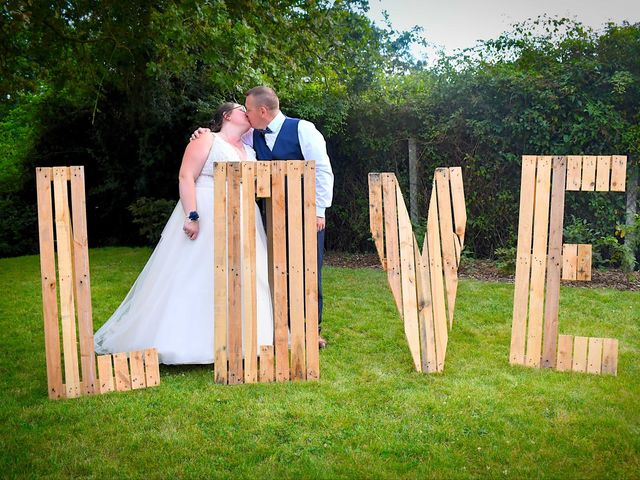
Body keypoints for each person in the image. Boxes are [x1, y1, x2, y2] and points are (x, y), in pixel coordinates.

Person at [94, 103, 274, 364]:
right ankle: (186, 341)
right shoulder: (206, 139)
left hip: (243, 214)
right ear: (226, 115)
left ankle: (244, 337)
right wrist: (192, 215)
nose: (246, 111)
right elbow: (186, 176)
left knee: (245, 272)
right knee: (197, 273)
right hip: (207, 209)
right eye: (240, 108)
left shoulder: (248, 148)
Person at [191, 86, 334, 348]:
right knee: (278, 269)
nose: (245, 114)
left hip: (306, 212)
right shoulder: (252, 136)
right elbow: (226, 142)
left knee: (309, 270)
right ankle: (284, 327)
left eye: (248, 109)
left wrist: (319, 210)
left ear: (262, 111)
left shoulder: (303, 129)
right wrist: (204, 133)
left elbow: (323, 170)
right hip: (273, 215)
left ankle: (312, 331)